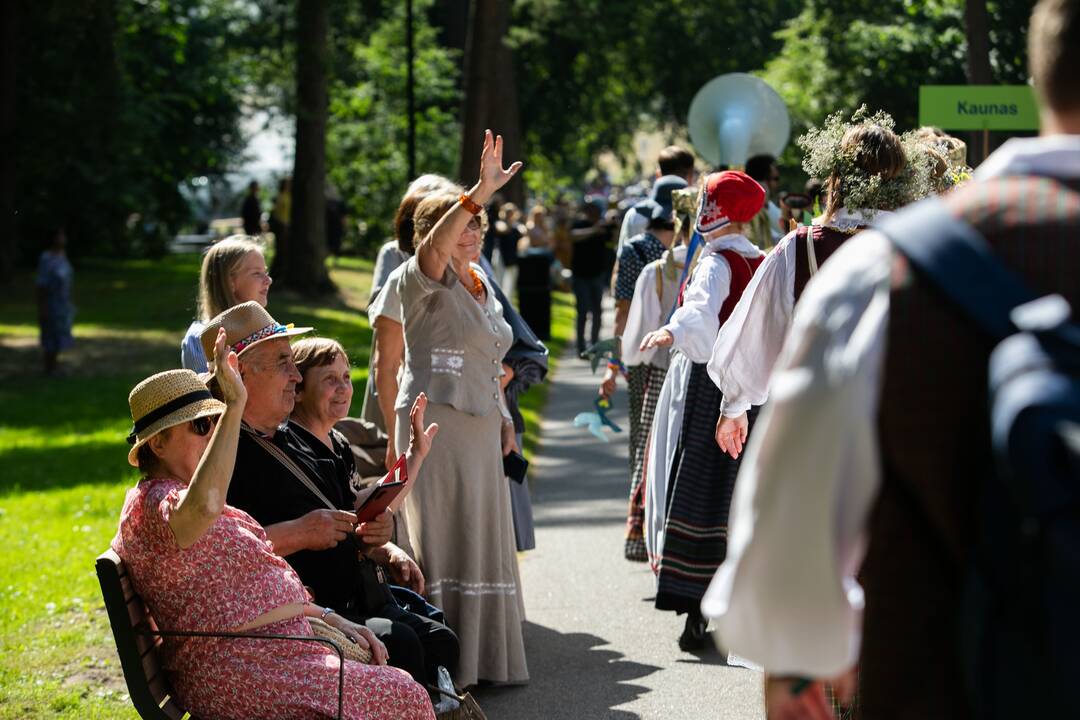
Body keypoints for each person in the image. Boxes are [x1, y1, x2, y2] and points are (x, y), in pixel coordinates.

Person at [704, 3, 1080, 718]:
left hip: (948, 674)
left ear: (1039, 77)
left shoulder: (884, 272)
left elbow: (797, 503)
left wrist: (792, 661)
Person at [112, 335, 433, 720]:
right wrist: (234, 407)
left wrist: (332, 619)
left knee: (406, 674)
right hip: (238, 669)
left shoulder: (181, 497)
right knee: (402, 694)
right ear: (158, 444)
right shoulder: (154, 505)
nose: (213, 434)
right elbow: (205, 506)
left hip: (273, 652)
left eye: (214, 424)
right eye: (201, 426)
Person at [199, 302, 458, 694]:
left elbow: (352, 509)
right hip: (298, 620)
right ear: (240, 371)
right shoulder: (226, 453)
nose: (295, 375)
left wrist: (381, 536)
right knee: (401, 645)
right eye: (283, 362)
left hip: (345, 604)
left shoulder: (286, 437)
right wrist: (301, 533)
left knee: (437, 640)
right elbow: (221, 552)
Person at [709, 112, 932, 461]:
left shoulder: (801, 247)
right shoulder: (924, 247)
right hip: (901, 428)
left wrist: (735, 404)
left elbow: (757, 330)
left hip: (816, 424)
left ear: (837, 180)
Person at [397, 130, 529, 687]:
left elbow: (491, 357)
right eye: (463, 222)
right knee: (448, 536)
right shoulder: (419, 278)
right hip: (438, 425)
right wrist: (477, 190)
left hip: (480, 426)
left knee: (482, 534)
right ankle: (447, 666)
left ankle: (486, 661)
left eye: (479, 222)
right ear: (436, 233)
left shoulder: (481, 281)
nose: (473, 229)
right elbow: (434, 249)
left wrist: (504, 420)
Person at [637, 171, 766, 650]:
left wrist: (674, 332)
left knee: (701, 489)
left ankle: (696, 610)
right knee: (742, 494)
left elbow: (701, 311)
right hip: (753, 386)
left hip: (712, 388)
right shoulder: (762, 260)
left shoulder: (717, 261)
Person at [289, 336, 461, 692]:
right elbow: (350, 515)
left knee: (442, 640)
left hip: (364, 589)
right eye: (329, 380)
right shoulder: (296, 448)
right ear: (299, 390)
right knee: (409, 644)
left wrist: (415, 454)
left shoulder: (336, 443)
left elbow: (367, 506)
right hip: (333, 601)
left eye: (347, 377)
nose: (343, 388)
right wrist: (374, 537)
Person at [617, 186, 699, 562]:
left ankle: (645, 535)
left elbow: (638, 337)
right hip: (708, 378)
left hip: (663, 372)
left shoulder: (658, 272)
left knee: (652, 454)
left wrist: (628, 360)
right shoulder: (718, 266)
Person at [180, 235, 271, 374]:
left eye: (266, 272)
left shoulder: (263, 330)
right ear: (230, 282)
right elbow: (209, 393)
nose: (268, 280)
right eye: (257, 273)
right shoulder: (201, 339)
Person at [618, 145, 697, 252]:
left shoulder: (635, 215)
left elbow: (622, 260)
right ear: (690, 176)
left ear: (658, 175)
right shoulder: (698, 215)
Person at [570, 198, 613, 356]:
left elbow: (614, 242)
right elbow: (573, 236)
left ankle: (594, 344)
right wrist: (595, 230)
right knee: (582, 312)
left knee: (597, 311)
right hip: (581, 275)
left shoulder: (603, 227)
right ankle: (581, 347)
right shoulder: (579, 224)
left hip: (597, 275)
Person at [36, 227, 74, 376]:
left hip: (63, 303)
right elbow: (41, 284)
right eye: (60, 235)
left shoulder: (63, 256)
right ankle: (49, 368)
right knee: (50, 336)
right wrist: (42, 307)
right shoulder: (46, 258)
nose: (63, 238)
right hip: (51, 303)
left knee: (60, 335)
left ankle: (55, 366)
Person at [744, 154, 784, 250]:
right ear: (762, 184)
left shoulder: (768, 207)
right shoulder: (752, 211)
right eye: (775, 178)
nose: (778, 183)